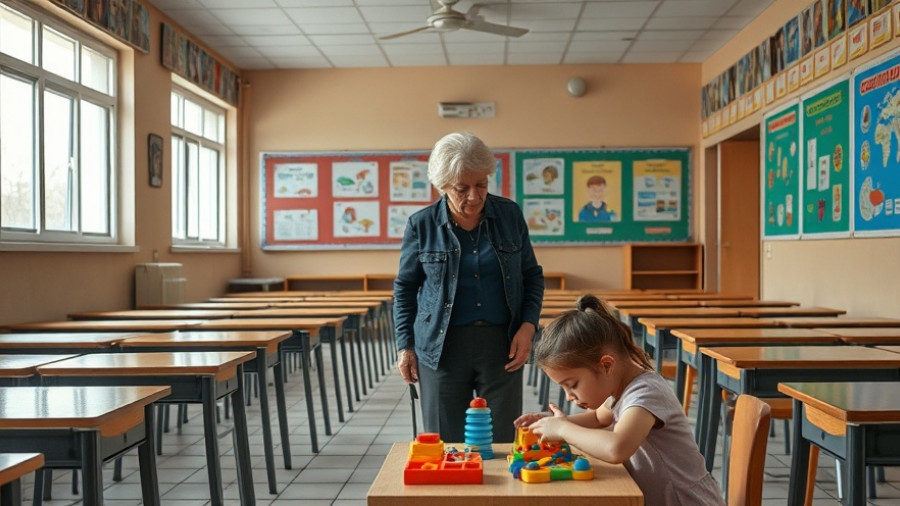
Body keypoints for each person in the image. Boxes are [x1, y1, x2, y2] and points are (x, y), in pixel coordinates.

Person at [394, 132, 544, 444]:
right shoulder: (421, 225)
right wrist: (405, 346)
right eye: (462, 188)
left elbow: (532, 276)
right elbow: (406, 289)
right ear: (443, 185)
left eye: (482, 185)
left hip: (502, 343)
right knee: (444, 440)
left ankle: (500, 495)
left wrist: (528, 326)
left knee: (502, 439)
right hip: (441, 347)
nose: (474, 196)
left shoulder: (510, 215)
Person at [515, 294, 724, 506]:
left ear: (606, 365)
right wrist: (553, 423)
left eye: (573, 384)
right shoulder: (619, 388)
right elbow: (598, 418)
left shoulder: (646, 393)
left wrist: (563, 430)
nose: (569, 396)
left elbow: (616, 449)